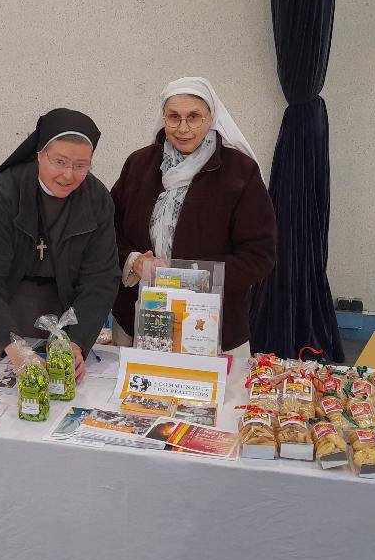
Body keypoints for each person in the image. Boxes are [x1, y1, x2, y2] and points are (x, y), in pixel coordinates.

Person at [0, 108, 120, 379]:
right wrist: (14, 348)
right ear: (40, 154)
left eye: (81, 165)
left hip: (45, 321)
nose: (68, 175)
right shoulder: (6, 190)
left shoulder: (96, 199)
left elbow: (100, 280)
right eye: (59, 162)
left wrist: (76, 343)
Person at [111, 77, 276, 360]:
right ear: (163, 118)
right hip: (139, 316)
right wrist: (133, 260)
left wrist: (191, 279)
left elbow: (259, 255)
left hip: (211, 323)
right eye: (174, 117)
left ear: (211, 118)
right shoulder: (139, 164)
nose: (183, 128)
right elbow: (109, 232)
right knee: (137, 398)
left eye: (194, 117)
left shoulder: (239, 172)